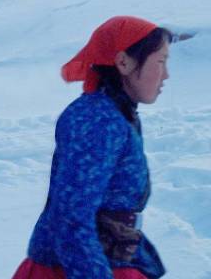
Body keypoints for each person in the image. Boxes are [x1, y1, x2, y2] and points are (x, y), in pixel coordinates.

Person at [12, 16, 169, 279]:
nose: (166, 75)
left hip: (104, 261)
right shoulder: (96, 120)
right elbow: (71, 218)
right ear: (123, 62)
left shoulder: (114, 114)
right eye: (161, 62)